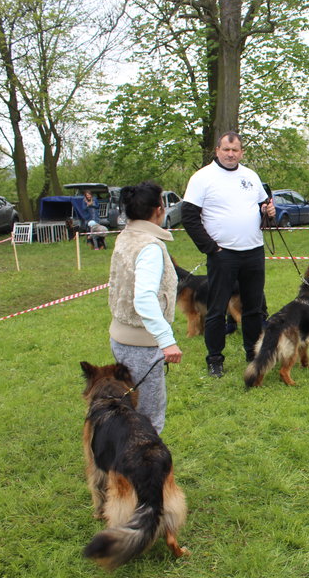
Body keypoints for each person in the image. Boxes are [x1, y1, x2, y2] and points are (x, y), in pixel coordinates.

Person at [181, 132, 276, 378]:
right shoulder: (202, 178)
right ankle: (215, 359)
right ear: (217, 150)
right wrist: (211, 248)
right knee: (217, 308)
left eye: (235, 150)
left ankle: (253, 353)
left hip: (253, 251)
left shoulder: (250, 176)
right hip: (223, 255)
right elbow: (189, 216)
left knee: (254, 308)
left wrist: (269, 209)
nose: (231, 154)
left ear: (241, 152)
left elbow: (262, 206)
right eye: (226, 149)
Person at [108, 181, 182, 434]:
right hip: (141, 345)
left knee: (131, 411)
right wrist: (166, 340)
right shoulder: (149, 247)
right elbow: (144, 298)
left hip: (121, 338)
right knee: (148, 419)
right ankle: (144, 469)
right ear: (159, 209)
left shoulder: (127, 236)